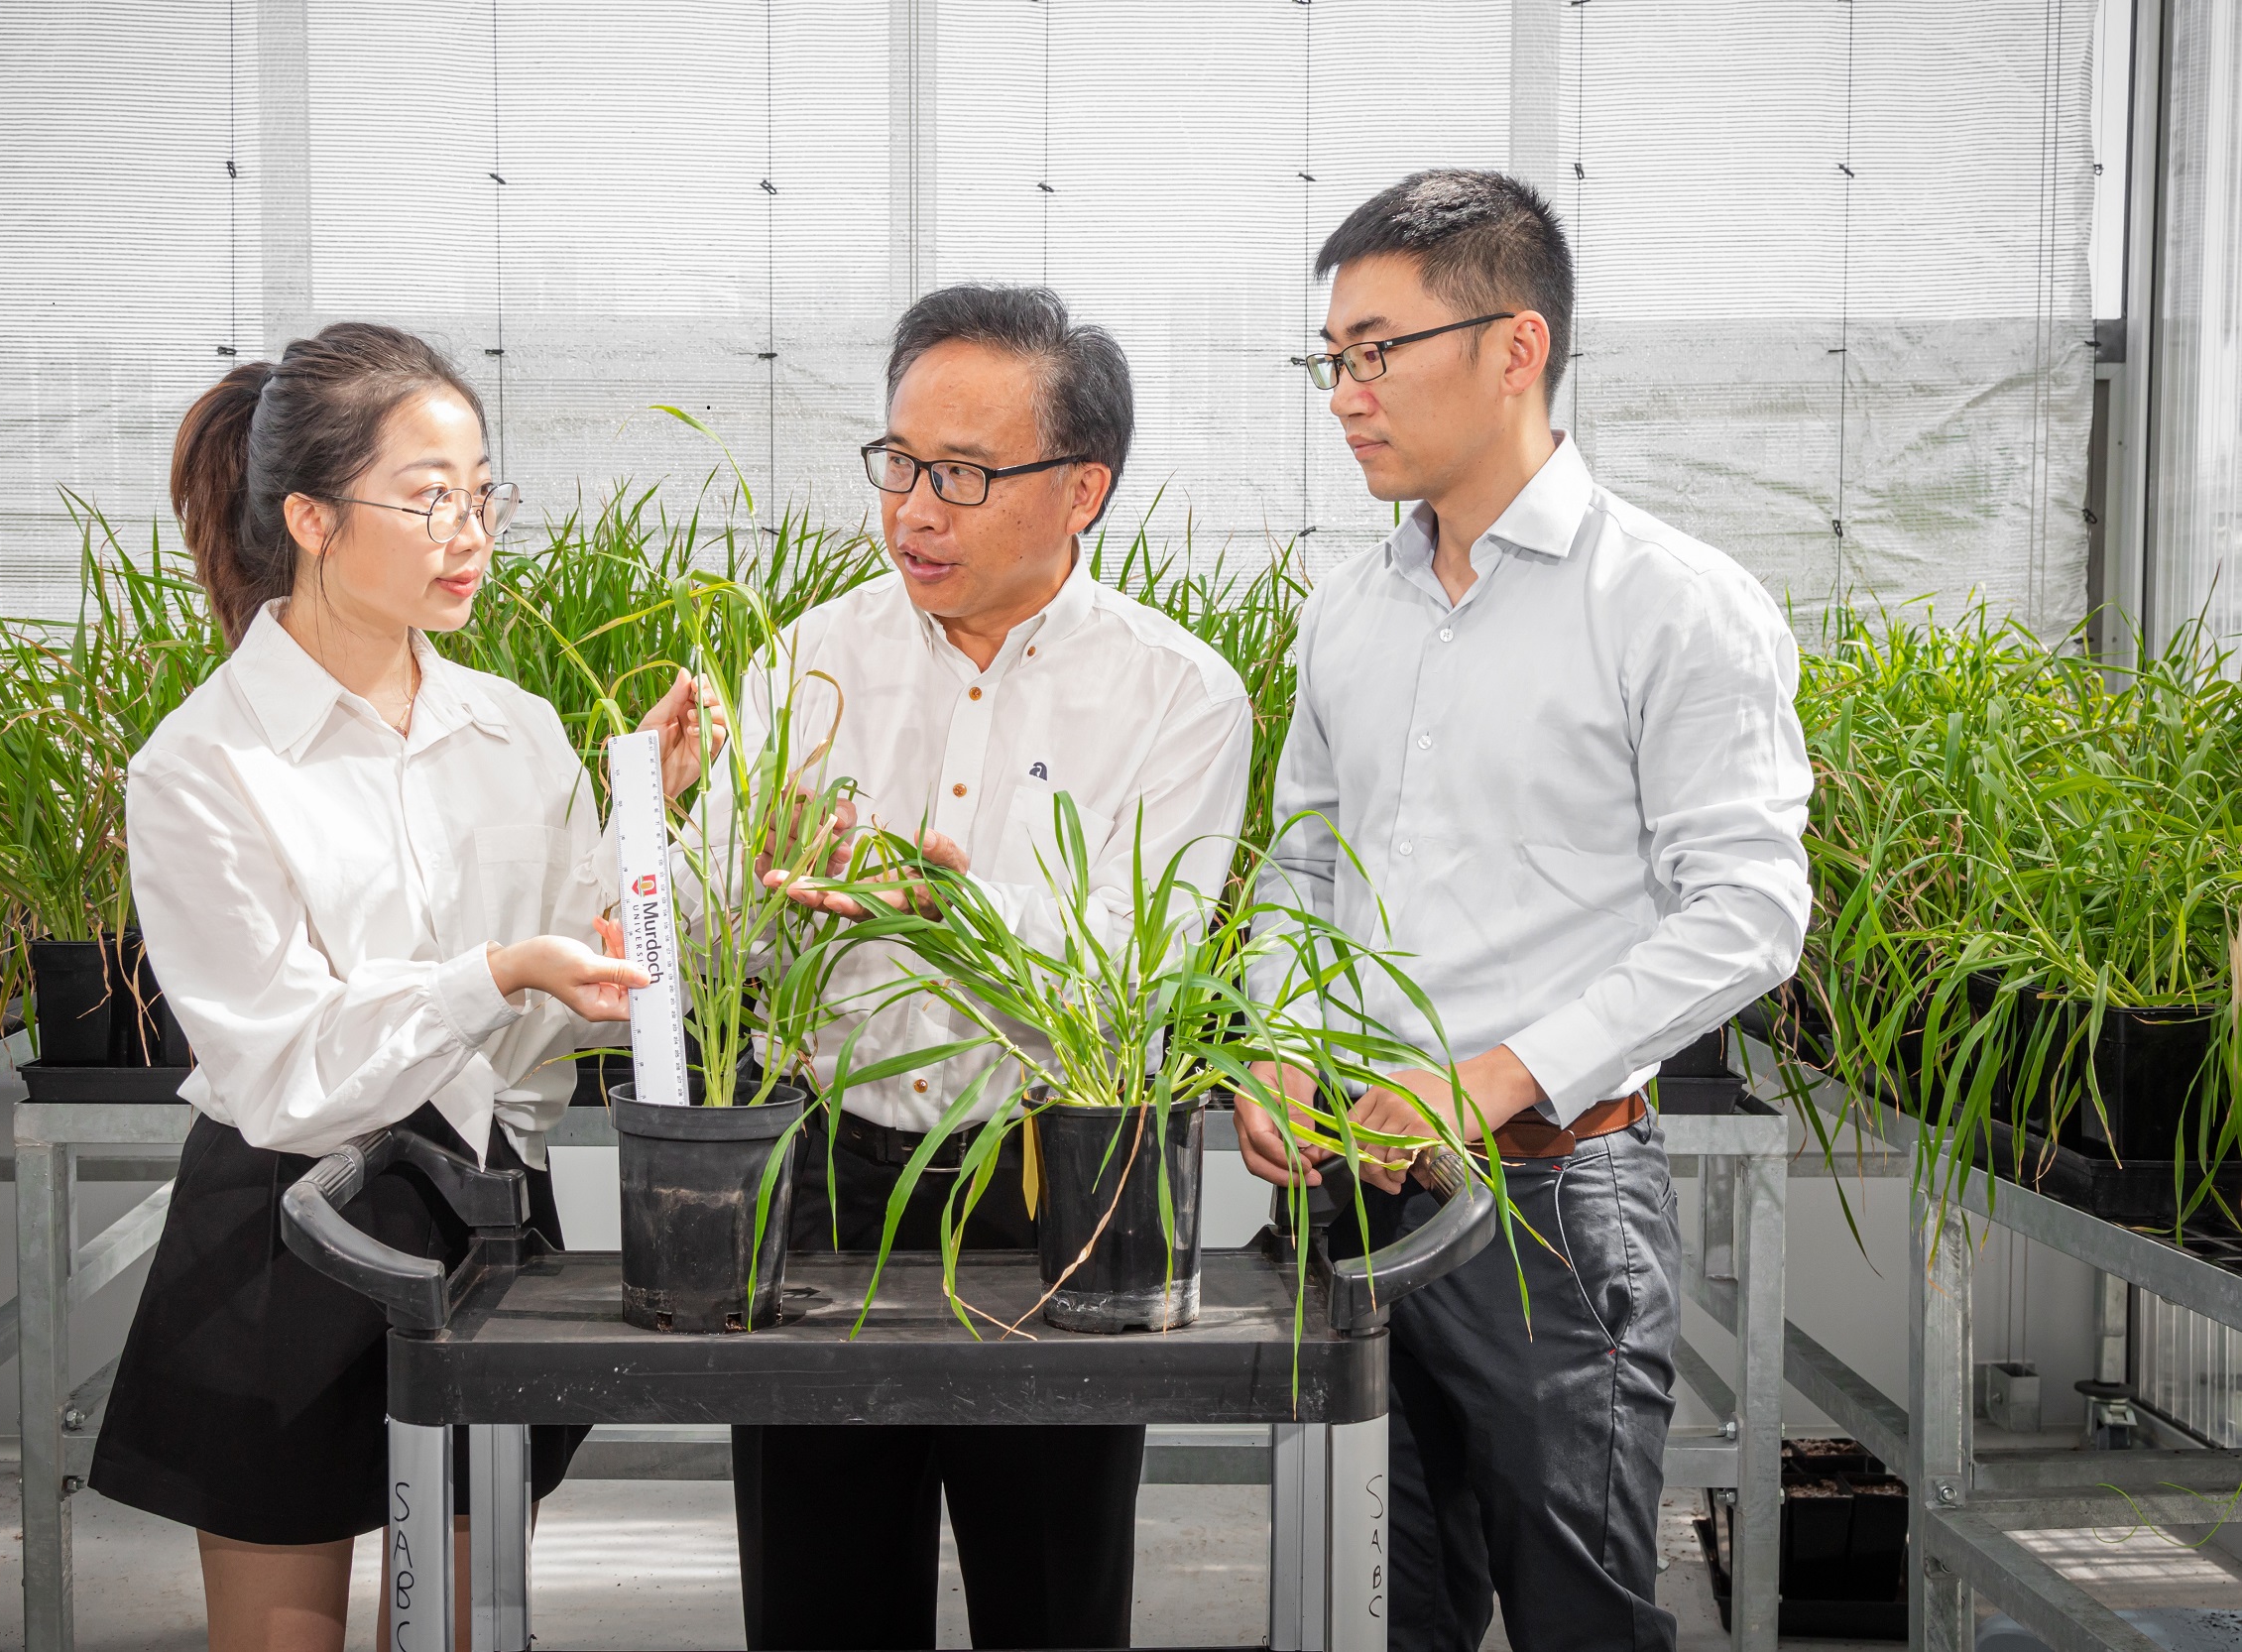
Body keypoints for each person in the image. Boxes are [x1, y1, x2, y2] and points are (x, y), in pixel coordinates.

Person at [1237, 171, 1813, 1652]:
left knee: (1579, 1615)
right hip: (1348, 1189)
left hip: (1549, 1204)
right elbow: (1301, 867)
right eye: (1331, 358)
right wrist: (1278, 1040)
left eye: (1378, 349)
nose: (1345, 393)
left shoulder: (1675, 605)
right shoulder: (1350, 609)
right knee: (1380, 1606)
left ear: (1516, 346)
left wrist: (1490, 1077)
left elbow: (1749, 909)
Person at [87, 321, 720, 1652]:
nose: (469, 530)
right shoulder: (204, 765)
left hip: (485, 1211)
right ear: (311, 516)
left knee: (461, 1631)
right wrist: (494, 971)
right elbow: (280, 1067)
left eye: (483, 492)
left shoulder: (515, 728)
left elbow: (558, 1005)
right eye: (429, 496)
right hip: (286, 1226)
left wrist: (648, 830)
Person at [724, 285, 1254, 1652]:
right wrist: (712, 857)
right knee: (817, 1598)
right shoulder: (807, 663)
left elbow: (1146, 960)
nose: (913, 508)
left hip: (1057, 1189)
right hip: (832, 1179)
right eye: (897, 464)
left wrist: (953, 908)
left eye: (961, 474)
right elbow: (719, 949)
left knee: (1054, 1598)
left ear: (1083, 489)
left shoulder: (1177, 693)